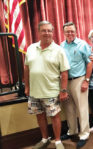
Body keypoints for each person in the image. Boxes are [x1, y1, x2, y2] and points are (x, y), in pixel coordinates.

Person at [24, 21, 70, 149]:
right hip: (34, 92)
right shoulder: (31, 48)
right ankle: (44, 138)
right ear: (38, 32)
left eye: (49, 30)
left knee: (55, 117)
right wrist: (27, 87)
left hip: (51, 91)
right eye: (44, 30)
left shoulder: (59, 50)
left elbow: (64, 72)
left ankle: (57, 140)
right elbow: (26, 68)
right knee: (40, 116)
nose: (47, 33)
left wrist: (64, 90)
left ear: (53, 32)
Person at [60, 22, 93, 148]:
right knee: (68, 108)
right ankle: (72, 131)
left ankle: (84, 134)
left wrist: (86, 80)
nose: (70, 33)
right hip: (65, 81)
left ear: (76, 31)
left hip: (79, 80)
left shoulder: (82, 44)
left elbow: (89, 63)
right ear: (64, 32)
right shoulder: (61, 46)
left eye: (72, 31)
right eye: (67, 31)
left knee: (82, 108)